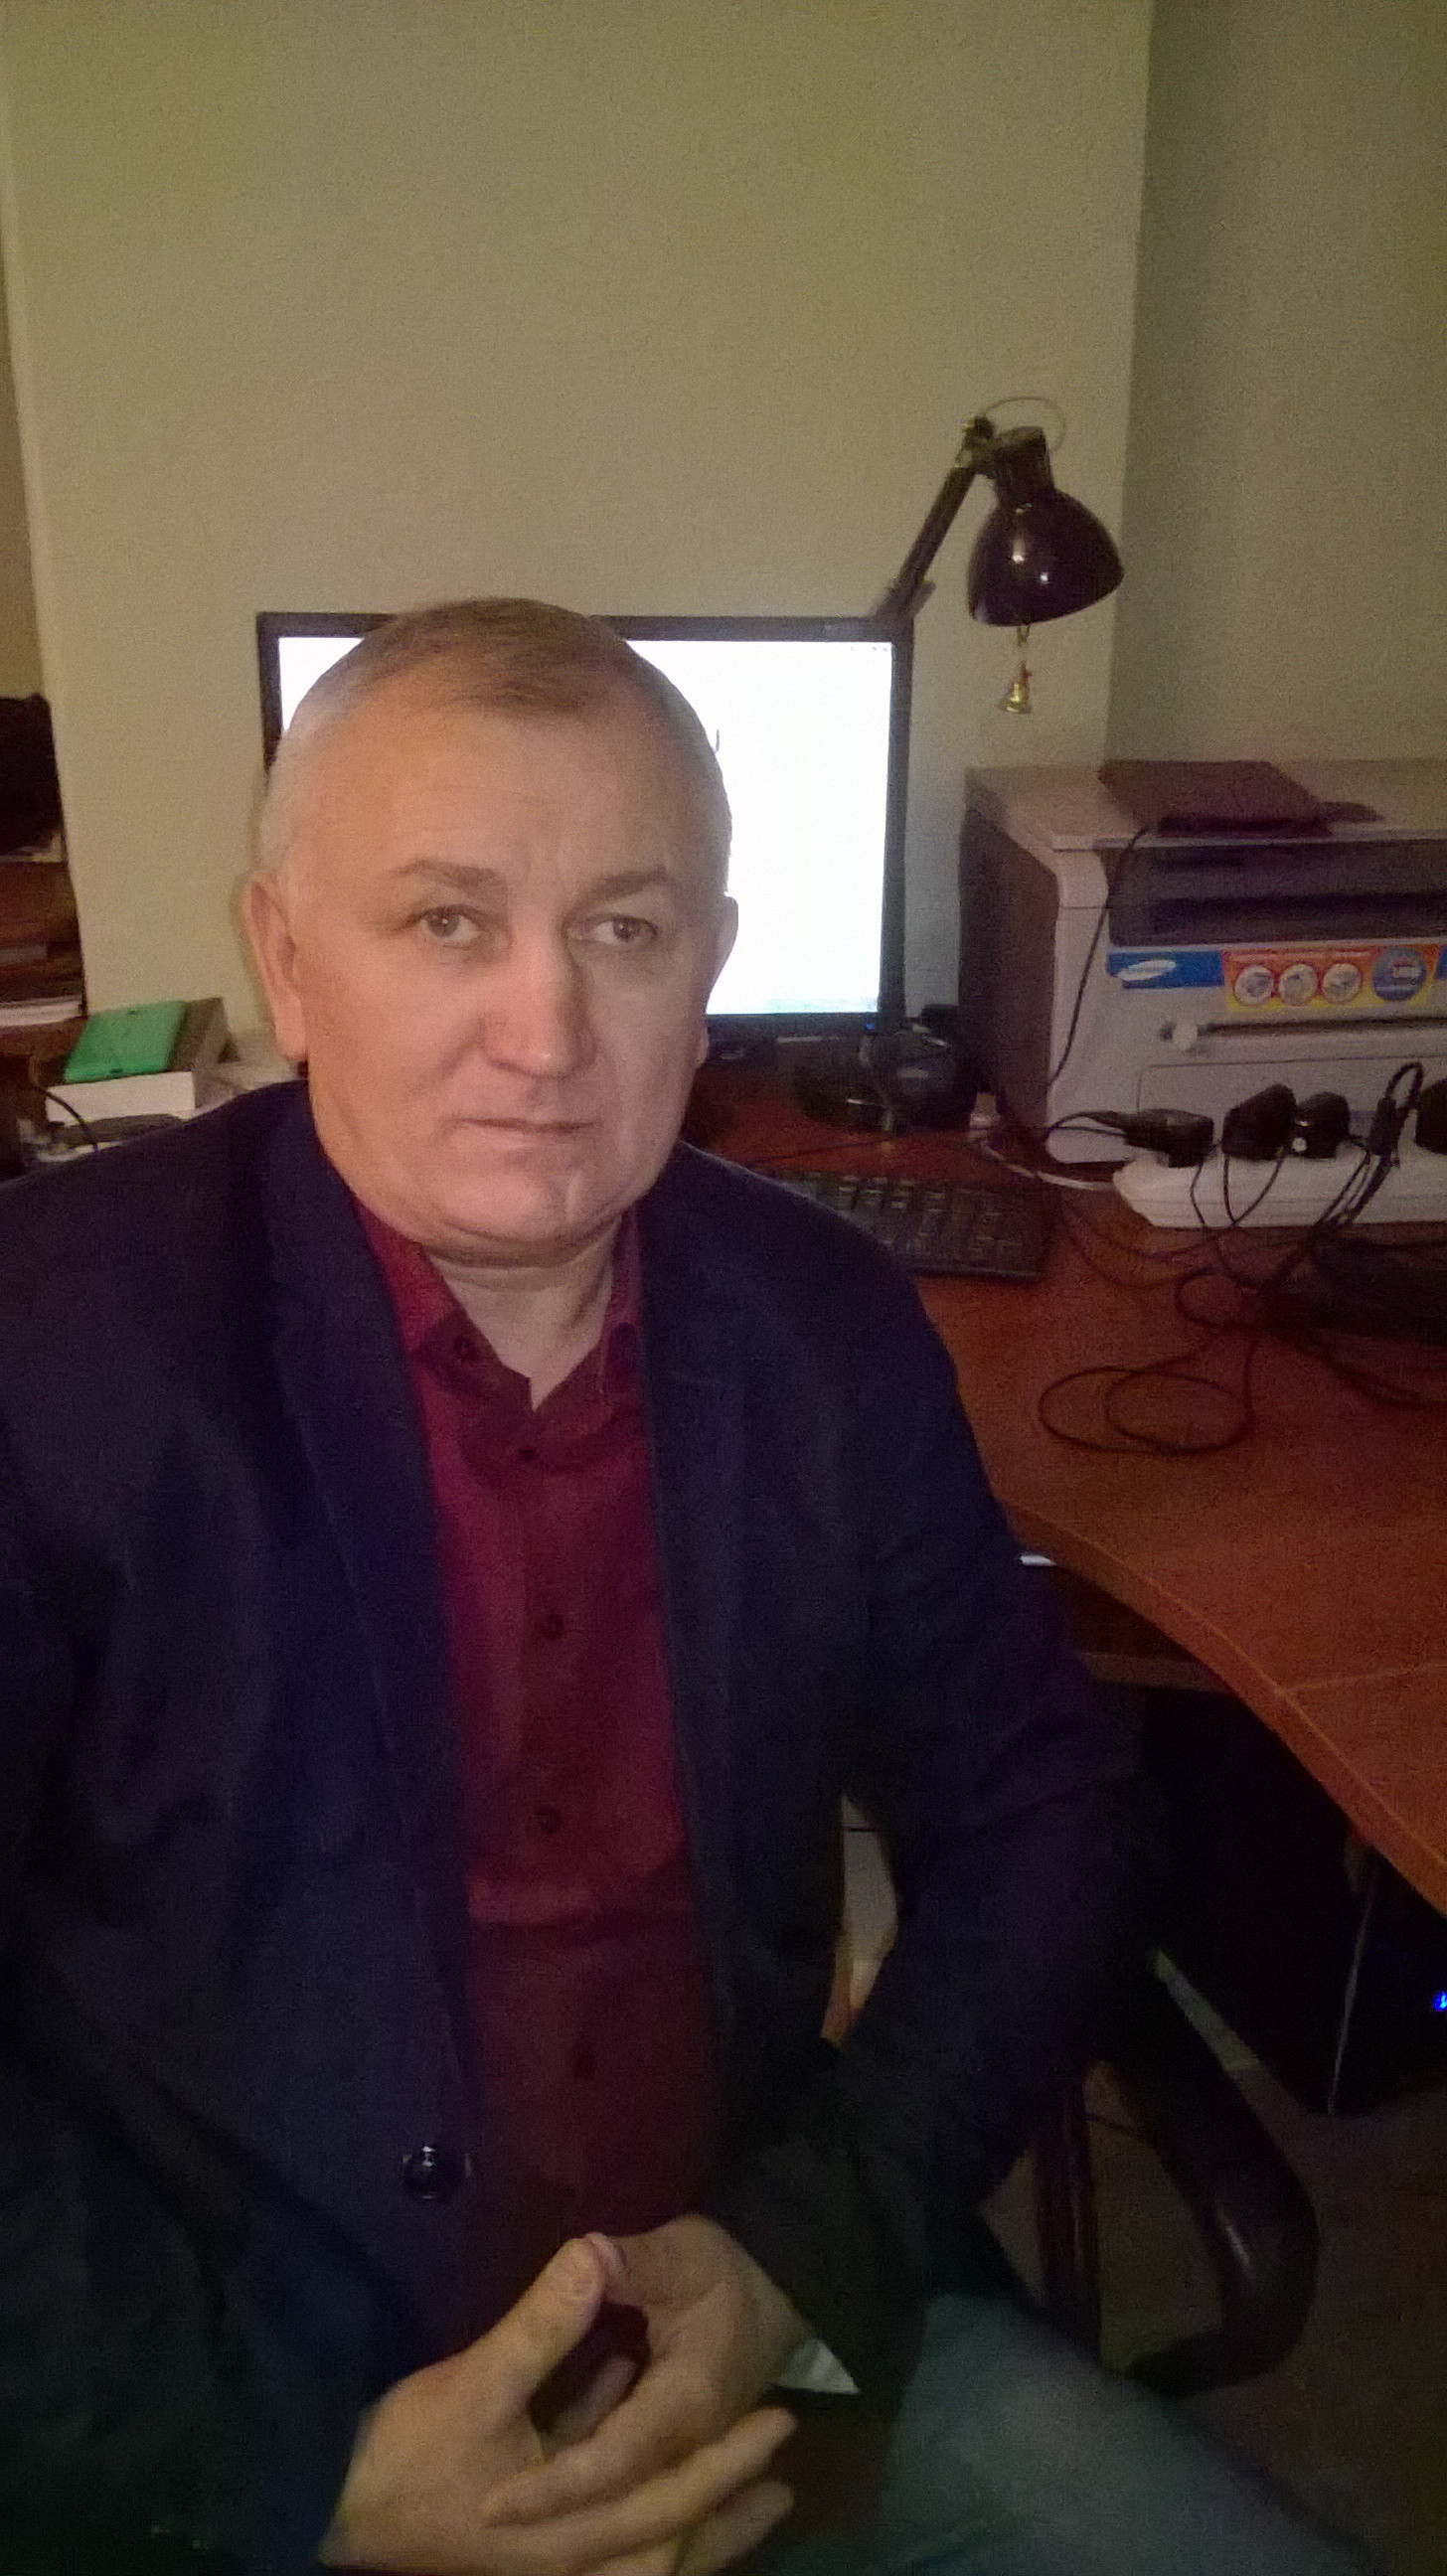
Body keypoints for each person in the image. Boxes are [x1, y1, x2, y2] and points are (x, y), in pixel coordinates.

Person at [0, 601, 1369, 2576]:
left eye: (624, 930)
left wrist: (793, 2253)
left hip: (753, 2328)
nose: (545, 1032)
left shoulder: (823, 1328)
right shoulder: (54, 1351)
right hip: (226, 2389)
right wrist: (294, 2474)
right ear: (286, 963)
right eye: (447, 922)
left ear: (709, 970)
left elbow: (1042, 1816)